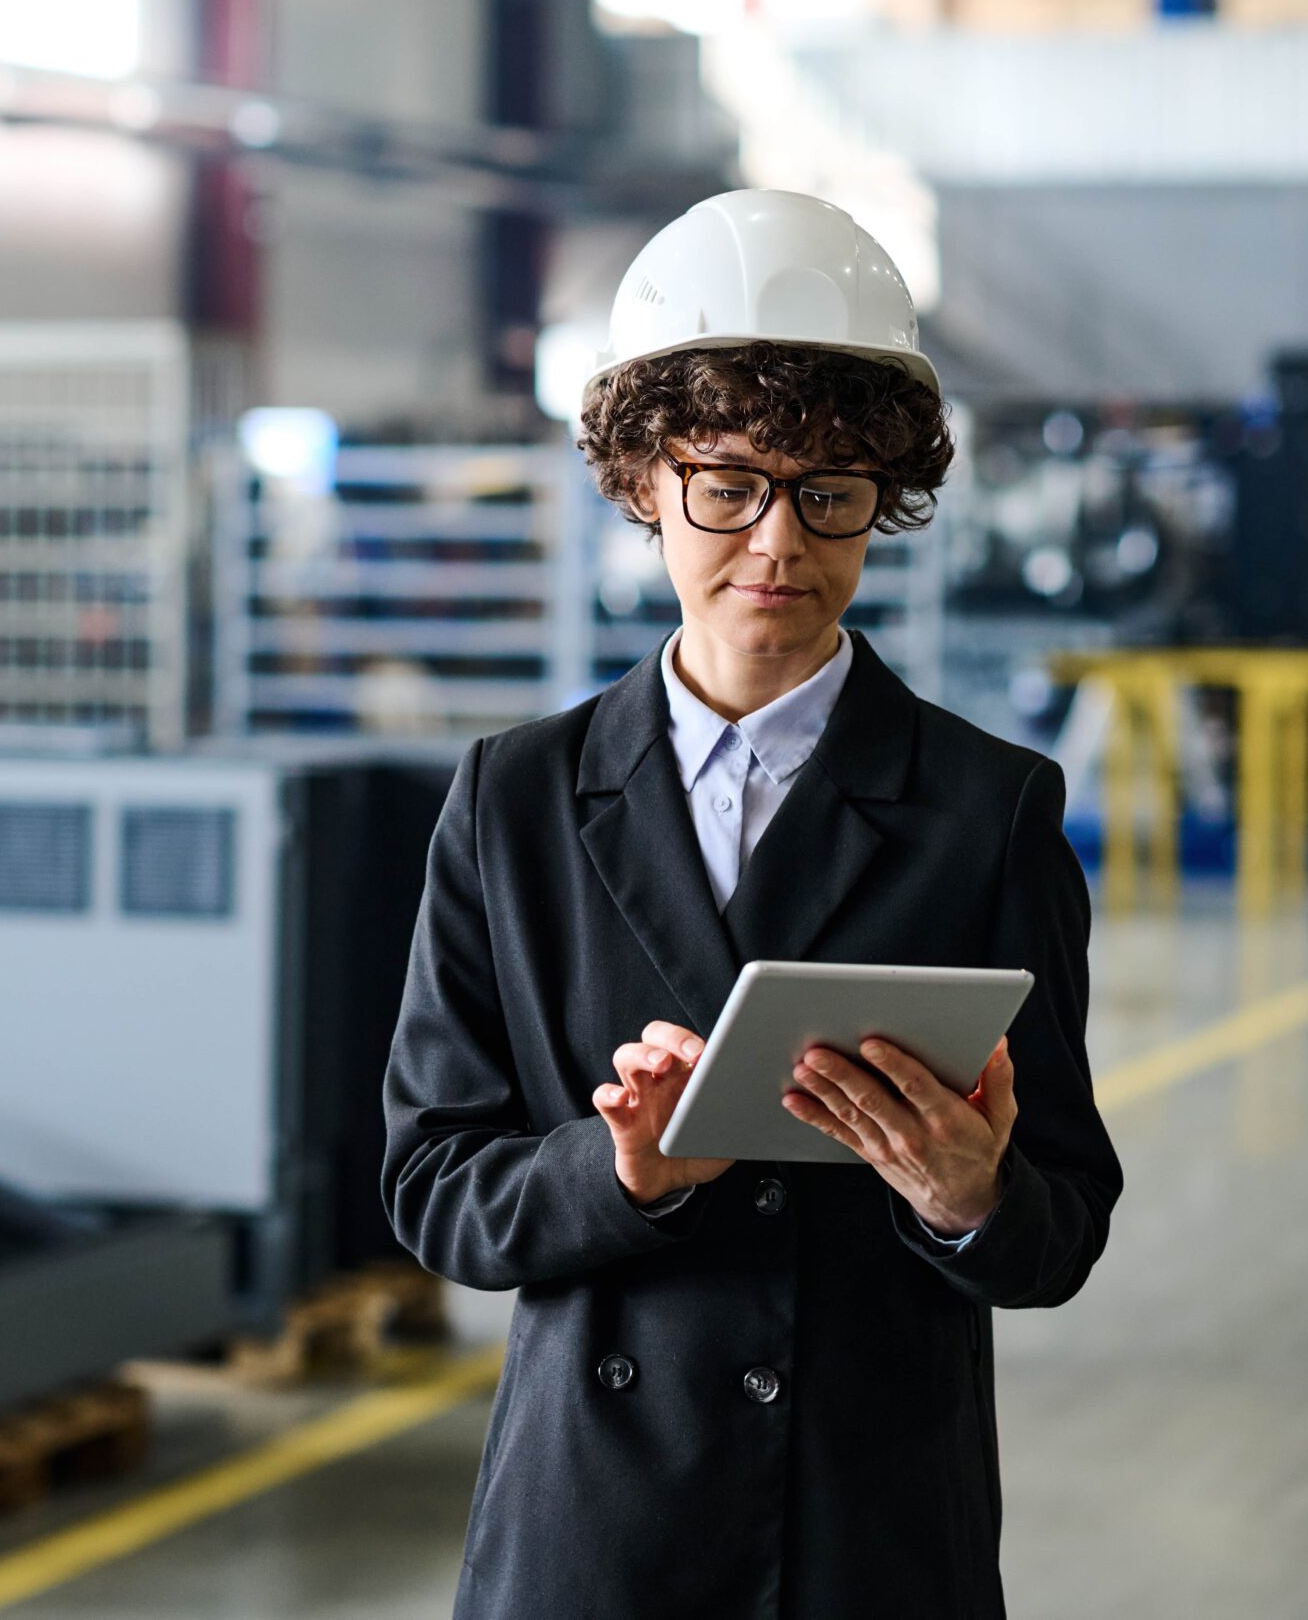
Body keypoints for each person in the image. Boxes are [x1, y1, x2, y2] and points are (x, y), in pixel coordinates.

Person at [381, 190, 1123, 1619]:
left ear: (884, 501)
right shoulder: (515, 802)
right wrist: (624, 1178)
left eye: (829, 492)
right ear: (645, 482)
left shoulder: (990, 813)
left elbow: (1063, 1226)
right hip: (597, 1524)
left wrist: (974, 1203)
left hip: (863, 1520)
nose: (777, 543)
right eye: (727, 485)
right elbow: (432, 1189)